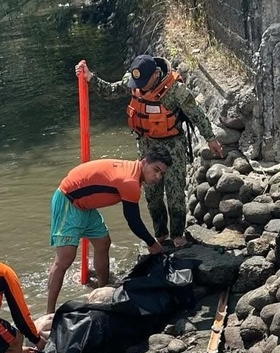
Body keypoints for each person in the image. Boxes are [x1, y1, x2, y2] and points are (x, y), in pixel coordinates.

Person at [76, 55, 224, 248]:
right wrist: (90, 77)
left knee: (175, 191)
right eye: (138, 83)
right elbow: (111, 91)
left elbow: (196, 114)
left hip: (172, 145)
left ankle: (178, 234)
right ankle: (160, 234)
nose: (141, 87)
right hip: (147, 144)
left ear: (155, 74)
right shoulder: (134, 82)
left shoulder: (175, 90)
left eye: (144, 83)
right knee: (152, 193)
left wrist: (211, 139)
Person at [46, 149, 171, 313]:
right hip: (69, 201)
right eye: (156, 170)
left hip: (86, 206)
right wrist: (152, 243)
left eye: (162, 173)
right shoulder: (130, 182)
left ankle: (102, 289)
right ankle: (49, 312)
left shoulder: (132, 171)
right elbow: (133, 220)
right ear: (144, 162)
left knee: (103, 243)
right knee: (64, 260)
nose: (158, 177)